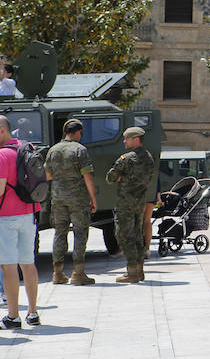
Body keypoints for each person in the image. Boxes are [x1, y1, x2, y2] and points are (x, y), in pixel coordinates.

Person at [45, 118, 98, 285]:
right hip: (78, 199)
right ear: (79, 132)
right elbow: (87, 176)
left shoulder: (53, 150)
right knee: (80, 233)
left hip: (58, 198)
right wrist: (93, 198)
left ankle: (57, 273)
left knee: (60, 233)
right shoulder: (80, 150)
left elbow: (47, 176)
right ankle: (78, 273)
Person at [0, 115, 41, 328]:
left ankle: (13, 316)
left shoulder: (2, 155)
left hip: (6, 217)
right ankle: (33, 313)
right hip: (30, 212)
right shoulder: (27, 147)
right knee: (28, 263)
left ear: (2, 131)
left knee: (8, 266)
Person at [106, 127, 155, 283]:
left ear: (135, 139)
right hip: (140, 202)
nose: (124, 141)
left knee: (124, 236)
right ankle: (139, 270)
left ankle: (131, 272)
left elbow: (110, 177)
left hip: (125, 203)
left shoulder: (126, 159)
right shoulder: (148, 158)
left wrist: (122, 177)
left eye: (127, 138)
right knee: (138, 236)